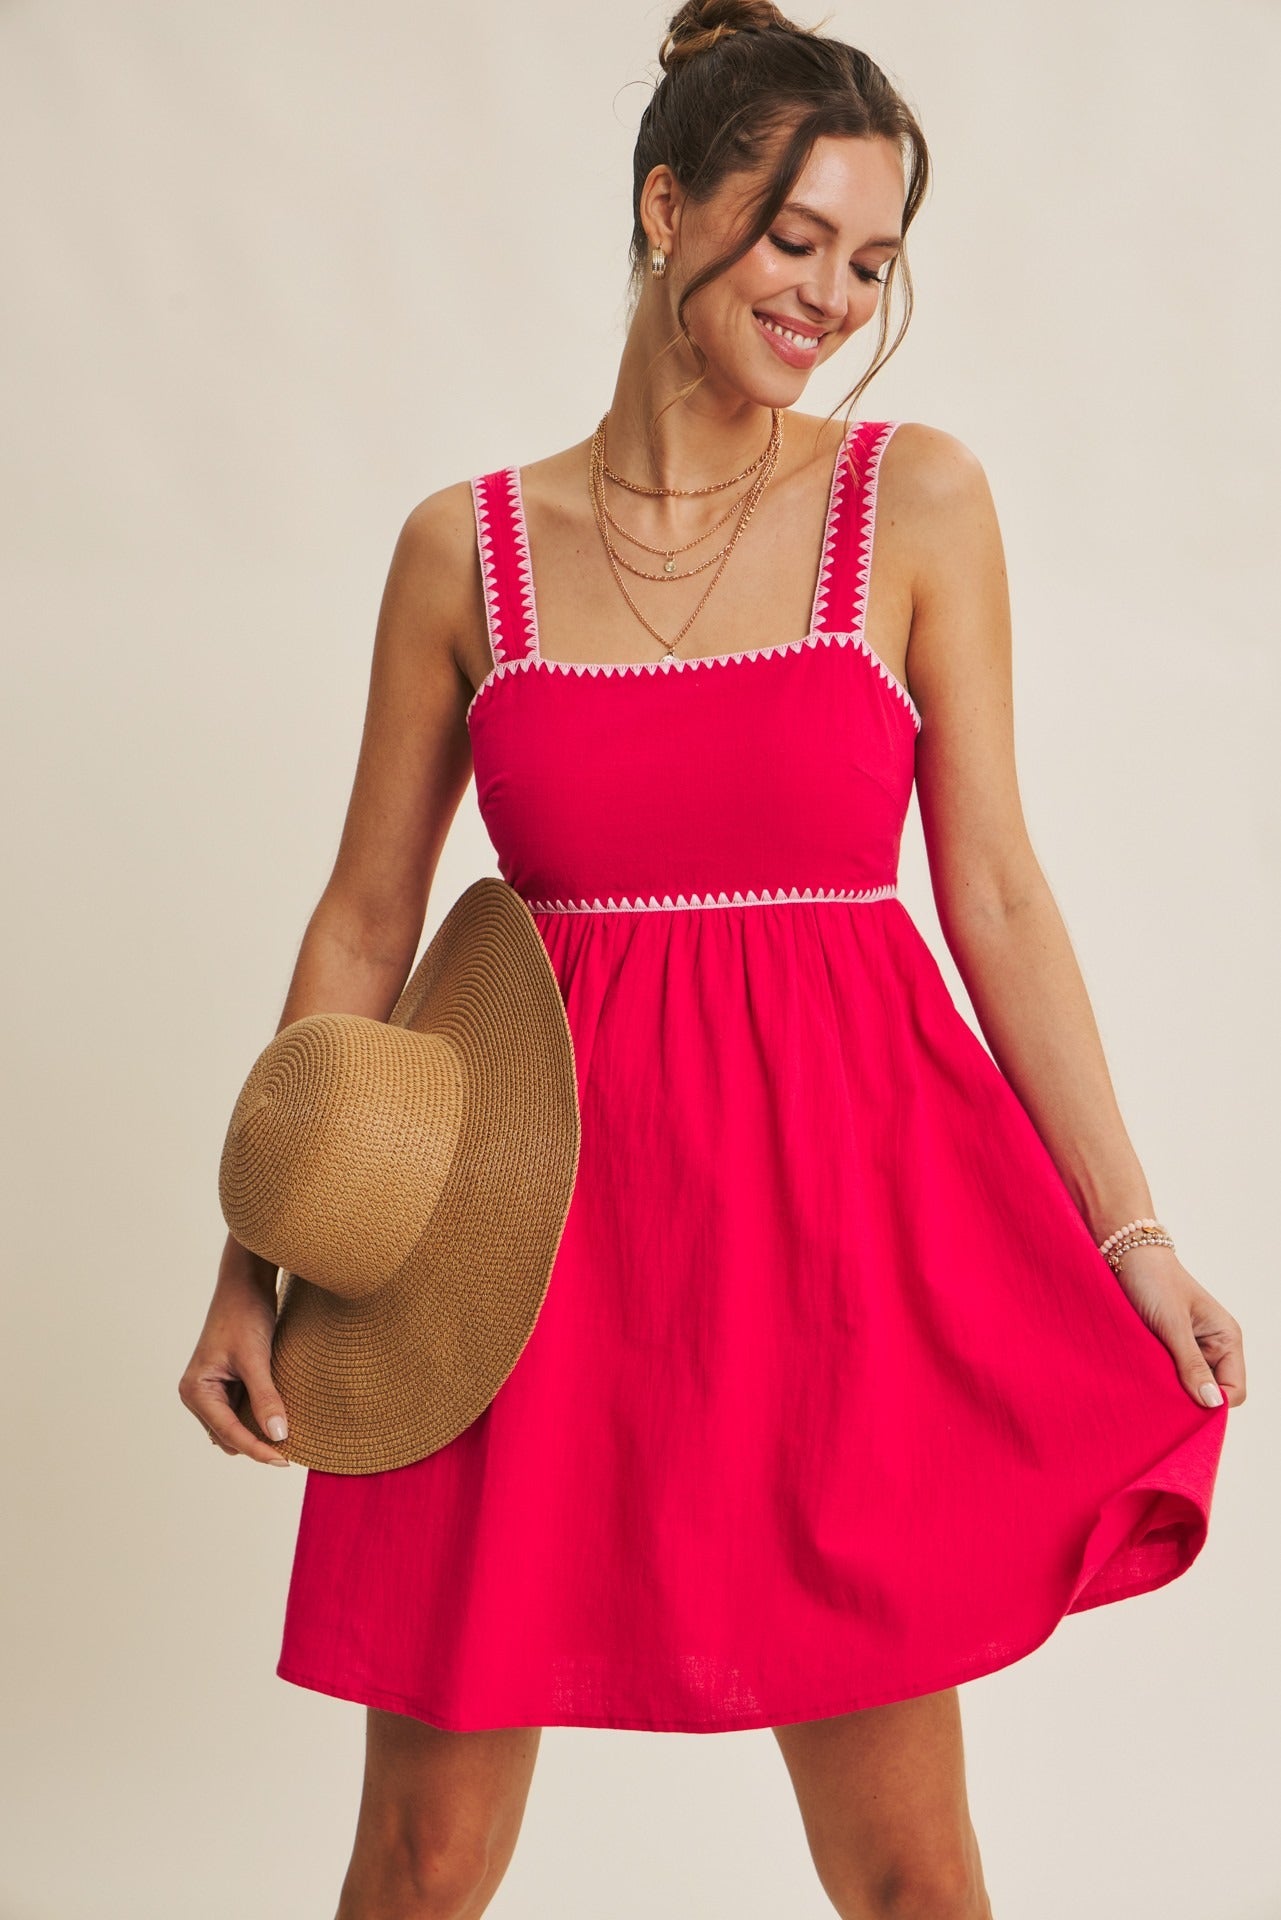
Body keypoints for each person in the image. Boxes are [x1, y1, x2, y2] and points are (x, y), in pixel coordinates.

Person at [179, 3, 1246, 1915]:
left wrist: (1129, 1232)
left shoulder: (909, 502)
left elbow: (991, 885)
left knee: (908, 1870)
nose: (832, 295)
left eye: (870, 258)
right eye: (793, 239)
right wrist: (257, 1263)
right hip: (509, 1233)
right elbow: (364, 915)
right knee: (420, 1860)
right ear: (667, 207)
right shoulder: (466, 549)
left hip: (832, 1243)